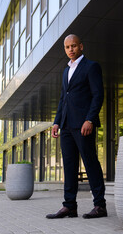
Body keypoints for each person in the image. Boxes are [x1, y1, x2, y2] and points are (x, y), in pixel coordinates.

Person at [46, 34, 106, 219]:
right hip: (66, 125)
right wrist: (56, 121)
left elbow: (98, 95)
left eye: (73, 46)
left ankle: (100, 205)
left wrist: (90, 119)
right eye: (67, 47)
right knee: (69, 166)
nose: (70, 49)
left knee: (90, 163)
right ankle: (69, 206)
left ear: (81, 46)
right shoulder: (66, 71)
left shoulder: (91, 66)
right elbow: (64, 99)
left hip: (83, 125)